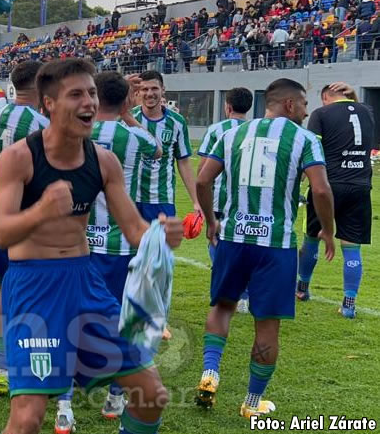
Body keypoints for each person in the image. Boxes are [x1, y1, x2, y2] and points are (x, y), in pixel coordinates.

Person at [0, 58, 183, 434]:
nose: (89, 103)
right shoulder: (19, 157)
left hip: (87, 285)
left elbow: (133, 230)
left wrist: (160, 235)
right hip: (35, 288)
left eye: (92, 93)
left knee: (151, 394)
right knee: (28, 417)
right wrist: (42, 211)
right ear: (49, 104)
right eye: (76, 94)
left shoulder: (104, 160)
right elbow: (2, 232)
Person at [195, 78, 335, 418]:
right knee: (267, 324)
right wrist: (328, 231)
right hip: (276, 245)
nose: (306, 111)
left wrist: (213, 222)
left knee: (223, 306)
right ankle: (252, 403)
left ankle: (210, 372)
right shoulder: (304, 139)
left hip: (233, 238)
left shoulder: (232, 134)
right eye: (303, 104)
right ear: (289, 104)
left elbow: (202, 180)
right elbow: (321, 189)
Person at [70, 72, 161, 429]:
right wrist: (128, 114)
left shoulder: (75, 133)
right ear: (127, 101)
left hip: (77, 242)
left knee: (71, 318)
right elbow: (156, 149)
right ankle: (116, 396)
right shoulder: (135, 136)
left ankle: (64, 404)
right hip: (118, 243)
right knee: (124, 320)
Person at [0, 61, 48, 399]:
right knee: (36, 293)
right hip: (28, 217)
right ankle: (32, 366)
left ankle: (1, 368)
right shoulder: (41, 124)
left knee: (3, 292)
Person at [296, 83, 375, 318]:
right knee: (352, 247)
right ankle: (349, 305)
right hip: (360, 187)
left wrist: (299, 180)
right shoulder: (367, 111)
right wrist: (352, 94)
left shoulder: (321, 114)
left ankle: (302, 290)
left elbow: (312, 150)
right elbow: (357, 106)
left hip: (327, 187)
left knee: (311, 238)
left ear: (324, 98)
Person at [197, 87, 253, 314]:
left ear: (227, 106)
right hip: (247, 200)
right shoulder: (255, 129)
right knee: (244, 245)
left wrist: (200, 201)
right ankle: (245, 296)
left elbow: (203, 170)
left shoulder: (216, 129)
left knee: (216, 242)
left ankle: (222, 292)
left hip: (220, 199)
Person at [134, 70, 198, 223]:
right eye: (145, 89)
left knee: (161, 247)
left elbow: (183, 162)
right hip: (131, 197)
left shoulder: (177, 122)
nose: (150, 93)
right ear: (138, 92)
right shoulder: (128, 120)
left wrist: (196, 200)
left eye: (154, 88)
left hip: (163, 198)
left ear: (163, 90)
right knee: (132, 247)